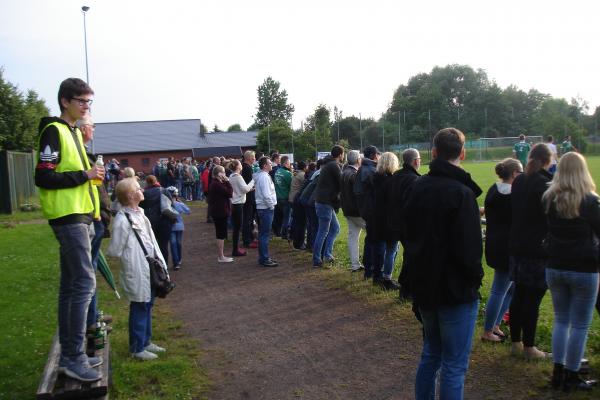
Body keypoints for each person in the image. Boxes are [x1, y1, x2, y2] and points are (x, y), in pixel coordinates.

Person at [404, 128, 484, 400]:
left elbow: (407, 235)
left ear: (434, 153)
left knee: (432, 353)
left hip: (425, 286)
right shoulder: (461, 194)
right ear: (462, 153)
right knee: (453, 363)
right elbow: (471, 250)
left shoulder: (419, 187)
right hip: (454, 290)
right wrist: (474, 281)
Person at [34, 77, 103, 382]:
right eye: (82, 101)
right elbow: (44, 177)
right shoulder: (54, 130)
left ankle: (71, 352)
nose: (86, 107)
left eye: (89, 101)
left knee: (70, 287)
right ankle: (74, 357)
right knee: (84, 284)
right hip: (68, 216)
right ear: (65, 101)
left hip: (81, 215)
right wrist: (84, 174)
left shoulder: (73, 132)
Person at [542, 152, 599, 391]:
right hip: (584, 268)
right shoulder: (590, 201)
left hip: (555, 266)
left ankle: (558, 371)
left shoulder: (549, 198)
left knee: (562, 320)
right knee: (579, 325)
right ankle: (572, 374)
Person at [108, 178, 167, 361]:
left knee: (148, 304)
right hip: (137, 269)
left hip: (148, 267)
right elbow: (115, 250)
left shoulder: (140, 213)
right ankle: (137, 348)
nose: (141, 189)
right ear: (130, 195)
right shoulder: (122, 220)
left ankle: (146, 341)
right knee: (140, 306)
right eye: (137, 188)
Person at [508, 143, 553, 359]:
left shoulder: (519, 181)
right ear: (547, 160)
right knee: (533, 298)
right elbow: (549, 218)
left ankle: (515, 341)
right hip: (536, 249)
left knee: (519, 294)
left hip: (517, 246)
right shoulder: (544, 184)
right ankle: (529, 346)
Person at [77, 116, 113, 334]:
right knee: (87, 275)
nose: (93, 130)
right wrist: (98, 215)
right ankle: (90, 323)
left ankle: (93, 315)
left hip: (96, 217)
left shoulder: (84, 153)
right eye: (91, 126)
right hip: (91, 219)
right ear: (83, 129)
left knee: (90, 274)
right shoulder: (79, 154)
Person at [481, 158, 523, 342]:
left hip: (494, 244)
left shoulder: (493, 189)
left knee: (510, 288)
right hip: (507, 247)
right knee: (500, 289)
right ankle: (488, 330)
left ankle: (495, 324)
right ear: (514, 174)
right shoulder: (513, 194)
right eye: (520, 172)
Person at [388, 148, 421, 299]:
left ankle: (406, 290)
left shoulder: (396, 176)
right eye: (419, 159)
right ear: (415, 161)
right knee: (412, 257)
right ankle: (407, 291)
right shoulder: (414, 180)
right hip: (409, 225)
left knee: (409, 255)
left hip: (395, 222)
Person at [371, 152, 401, 290]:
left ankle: (377, 276)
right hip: (389, 221)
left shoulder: (375, 178)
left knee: (380, 249)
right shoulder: (391, 181)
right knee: (391, 249)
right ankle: (387, 278)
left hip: (377, 219)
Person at [312, 145, 344, 268]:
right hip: (324, 203)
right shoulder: (333, 166)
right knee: (323, 231)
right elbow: (342, 182)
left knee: (335, 228)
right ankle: (317, 259)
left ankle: (327, 255)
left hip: (324, 202)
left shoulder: (329, 164)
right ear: (340, 154)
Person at [354, 145, 381, 282]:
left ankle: (368, 270)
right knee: (374, 241)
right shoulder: (370, 170)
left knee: (370, 239)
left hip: (365, 210)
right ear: (373, 155)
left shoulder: (362, 169)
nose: (379, 156)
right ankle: (372, 271)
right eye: (377, 154)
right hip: (372, 210)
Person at [140, 175, 173, 266]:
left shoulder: (144, 193)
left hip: (150, 222)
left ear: (147, 182)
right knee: (164, 245)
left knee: (152, 245)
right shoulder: (164, 190)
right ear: (156, 181)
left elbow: (141, 206)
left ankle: (155, 265)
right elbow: (171, 204)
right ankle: (164, 265)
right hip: (164, 221)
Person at [341, 150, 364, 272]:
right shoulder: (354, 174)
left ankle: (355, 265)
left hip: (348, 210)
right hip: (357, 212)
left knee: (353, 237)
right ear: (358, 160)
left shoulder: (344, 172)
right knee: (374, 234)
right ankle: (371, 265)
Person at [254, 156, 278, 267]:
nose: (271, 164)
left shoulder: (263, 175)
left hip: (263, 208)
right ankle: (264, 258)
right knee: (264, 234)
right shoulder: (263, 177)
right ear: (264, 165)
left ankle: (263, 257)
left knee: (263, 234)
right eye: (269, 163)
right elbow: (266, 194)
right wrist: (271, 206)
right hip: (265, 208)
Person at [208, 165, 234, 263]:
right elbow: (230, 193)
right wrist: (227, 181)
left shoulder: (217, 183)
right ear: (219, 174)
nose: (225, 174)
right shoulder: (217, 184)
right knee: (220, 234)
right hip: (219, 212)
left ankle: (221, 255)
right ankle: (221, 256)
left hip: (220, 211)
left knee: (221, 234)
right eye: (223, 172)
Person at [229, 160, 255, 257]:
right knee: (237, 227)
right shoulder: (238, 176)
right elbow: (245, 189)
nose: (241, 165)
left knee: (236, 227)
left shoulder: (232, 176)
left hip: (234, 203)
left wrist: (248, 188)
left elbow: (239, 189)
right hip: (238, 204)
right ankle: (235, 250)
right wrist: (253, 180)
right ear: (238, 166)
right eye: (240, 164)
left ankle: (235, 248)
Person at [166, 186, 190, 270]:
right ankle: (178, 260)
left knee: (173, 244)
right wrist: (182, 203)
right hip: (179, 227)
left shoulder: (166, 205)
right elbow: (188, 211)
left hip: (171, 227)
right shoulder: (179, 204)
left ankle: (176, 262)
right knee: (178, 243)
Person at [289, 161, 308, 250]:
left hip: (292, 198)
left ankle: (292, 237)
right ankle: (299, 243)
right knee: (300, 222)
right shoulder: (302, 175)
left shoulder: (296, 173)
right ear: (304, 167)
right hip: (297, 200)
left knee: (295, 221)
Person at [242, 151, 258, 248]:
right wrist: (255, 187)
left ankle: (250, 238)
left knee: (250, 219)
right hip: (248, 198)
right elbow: (248, 185)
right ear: (249, 158)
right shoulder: (247, 168)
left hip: (248, 197)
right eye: (254, 157)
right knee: (248, 219)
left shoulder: (246, 167)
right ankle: (247, 240)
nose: (255, 159)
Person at [274, 155, 293, 239]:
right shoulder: (287, 173)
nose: (290, 164)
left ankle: (279, 232)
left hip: (278, 197)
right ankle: (285, 234)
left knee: (281, 216)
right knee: (287, 217)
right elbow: (292, 186)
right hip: (285, 197)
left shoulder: (277, 171)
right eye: (289, 163)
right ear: (285, 163)